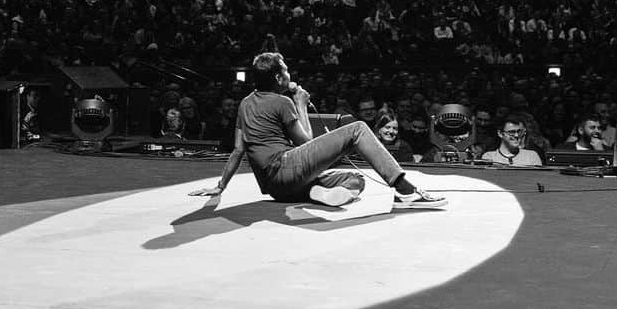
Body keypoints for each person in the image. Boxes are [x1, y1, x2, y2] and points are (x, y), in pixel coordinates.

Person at [189, 52, 446, 208]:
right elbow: (305, 142)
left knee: (356, 180)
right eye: (286, 70)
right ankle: (406, 192)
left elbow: (237, 150)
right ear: (279, 79)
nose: (289, 73)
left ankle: (315, 193)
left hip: (275, 187)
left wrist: (221, 186)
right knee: (357, 128)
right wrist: (300, 103)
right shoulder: (282, 101)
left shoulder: (245, 104)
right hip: (286, 168)